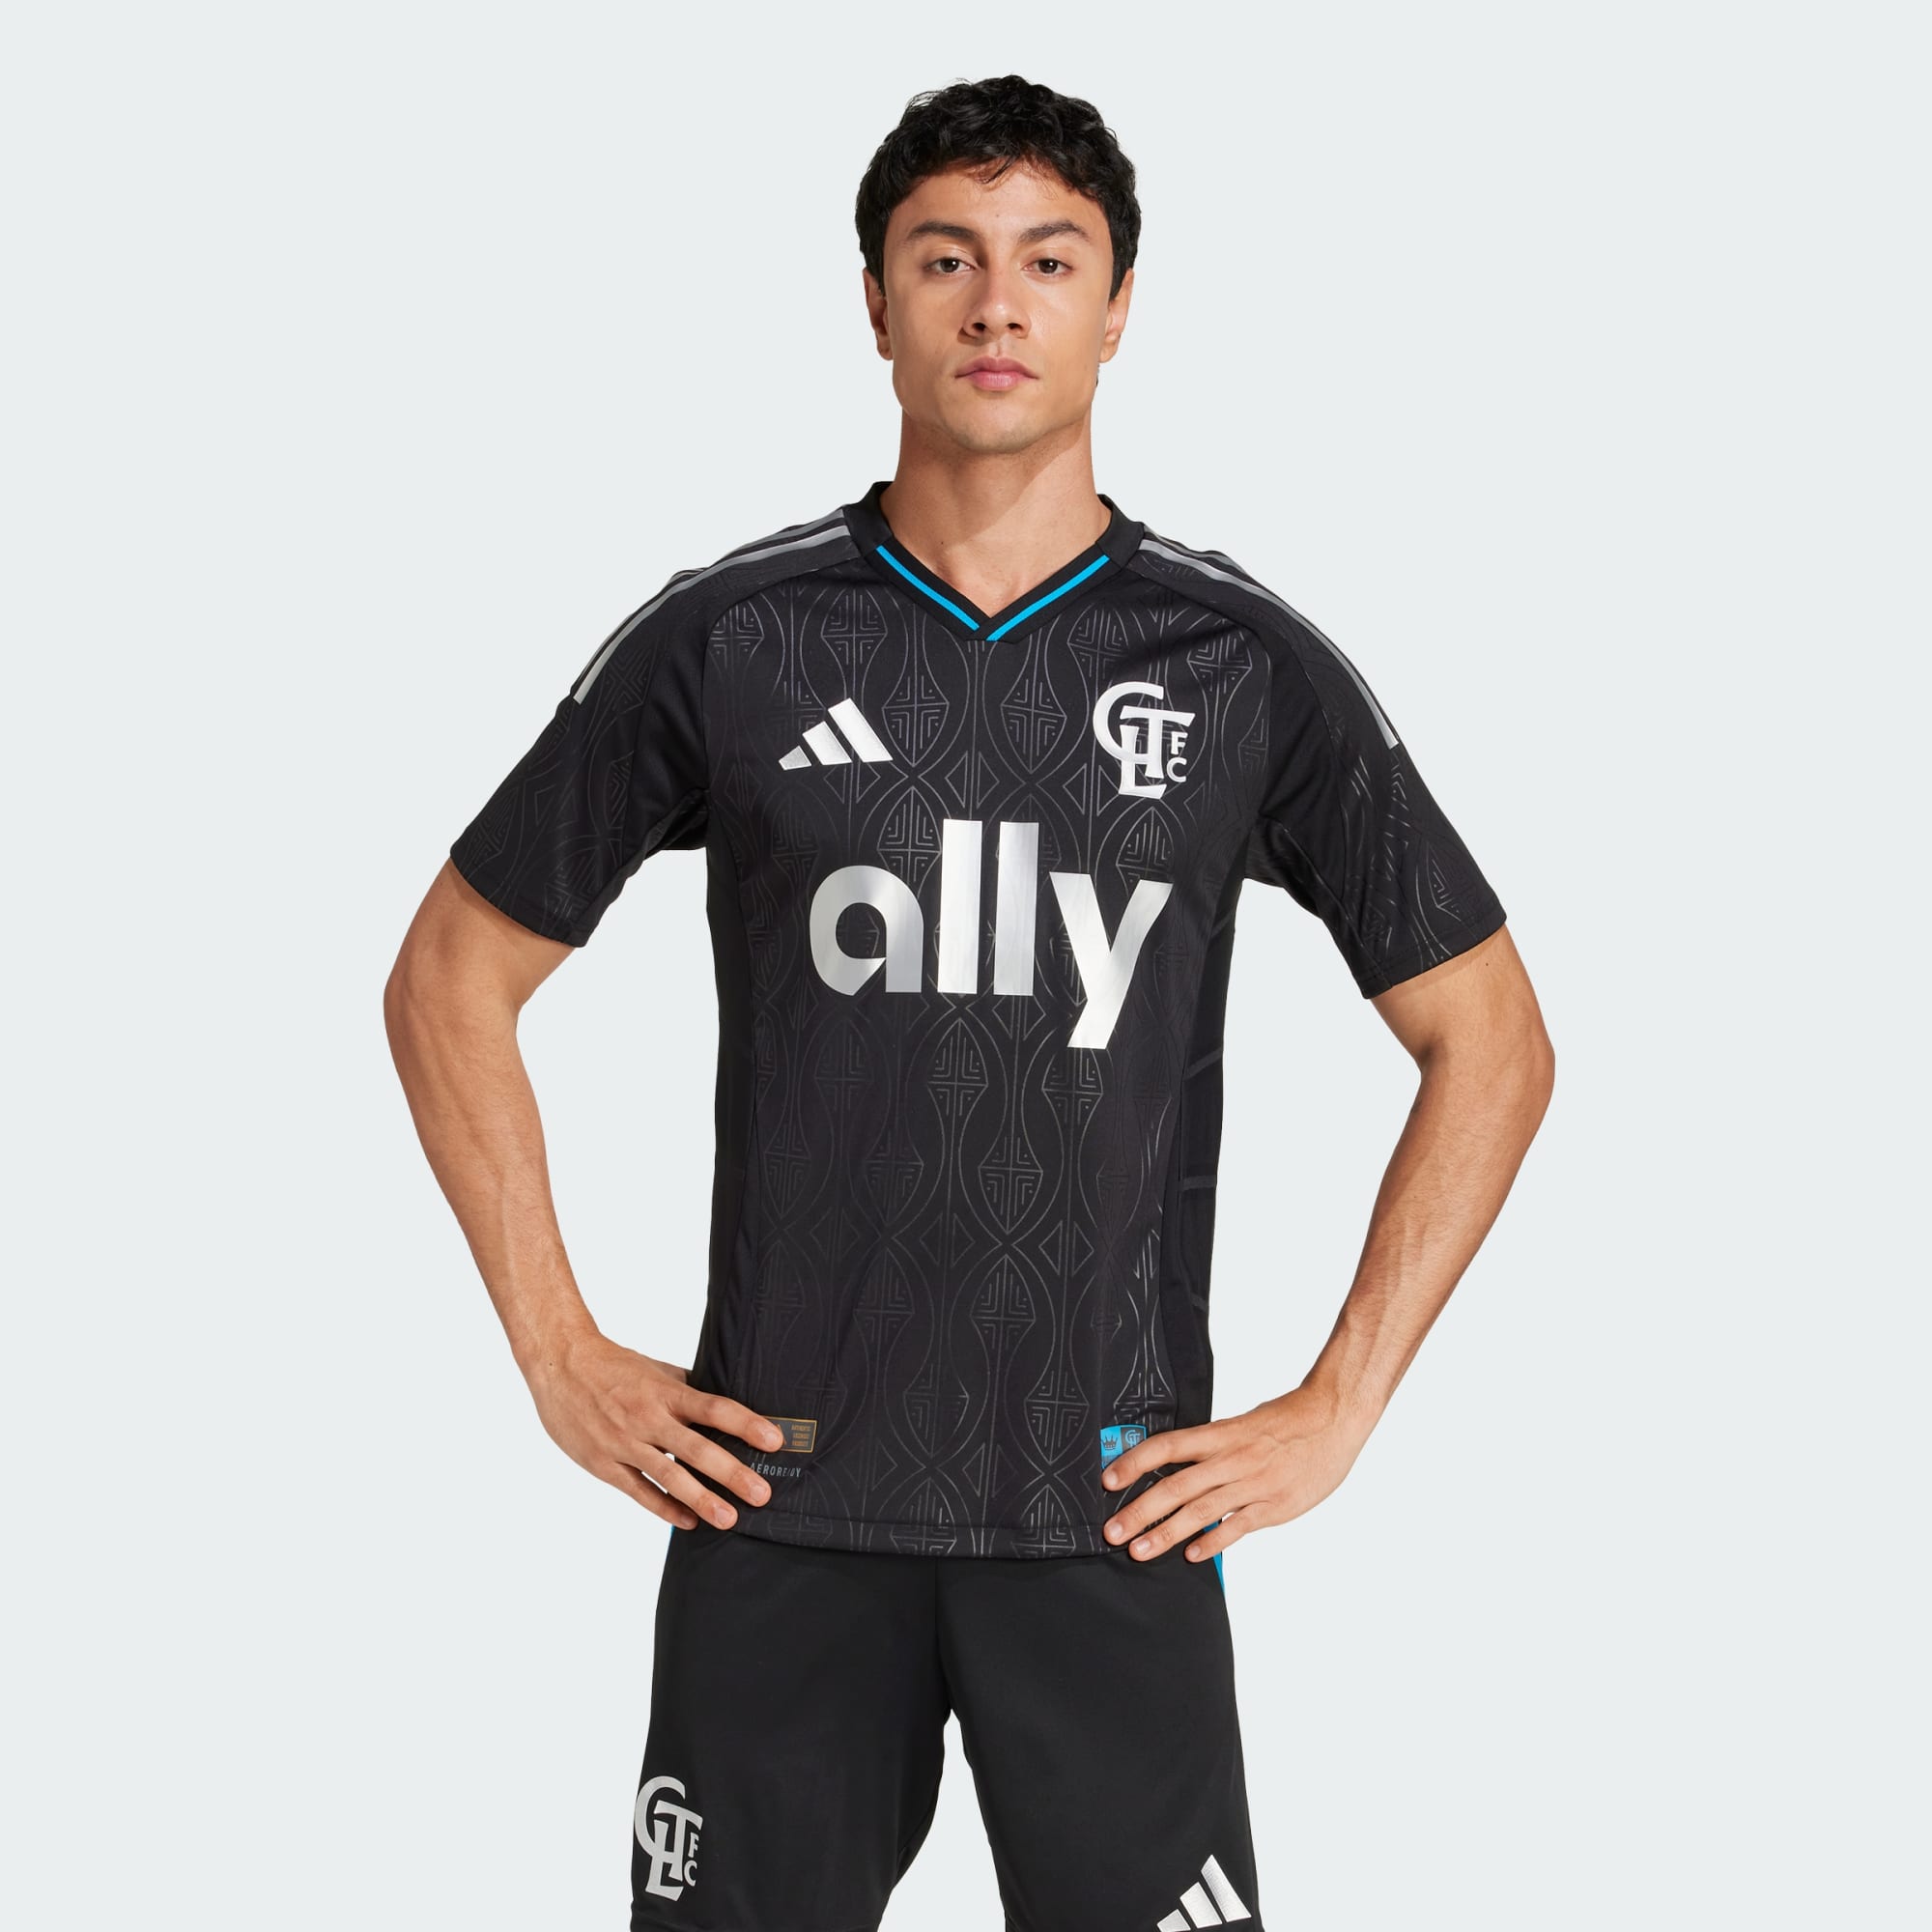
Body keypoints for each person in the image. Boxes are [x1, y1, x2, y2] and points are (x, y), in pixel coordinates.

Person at [384, 72, 1553, 1932]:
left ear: (1120, 304)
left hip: (1110, 1512)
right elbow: (453, 971)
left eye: (1048, 260)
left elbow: (1491, 1038)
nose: (997, 304)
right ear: (875, 302)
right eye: (946, 259)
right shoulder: (736, 637)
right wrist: (556, 1347)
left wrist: (1339, 1405)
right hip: (781, 1504)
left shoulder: (1237, 663)